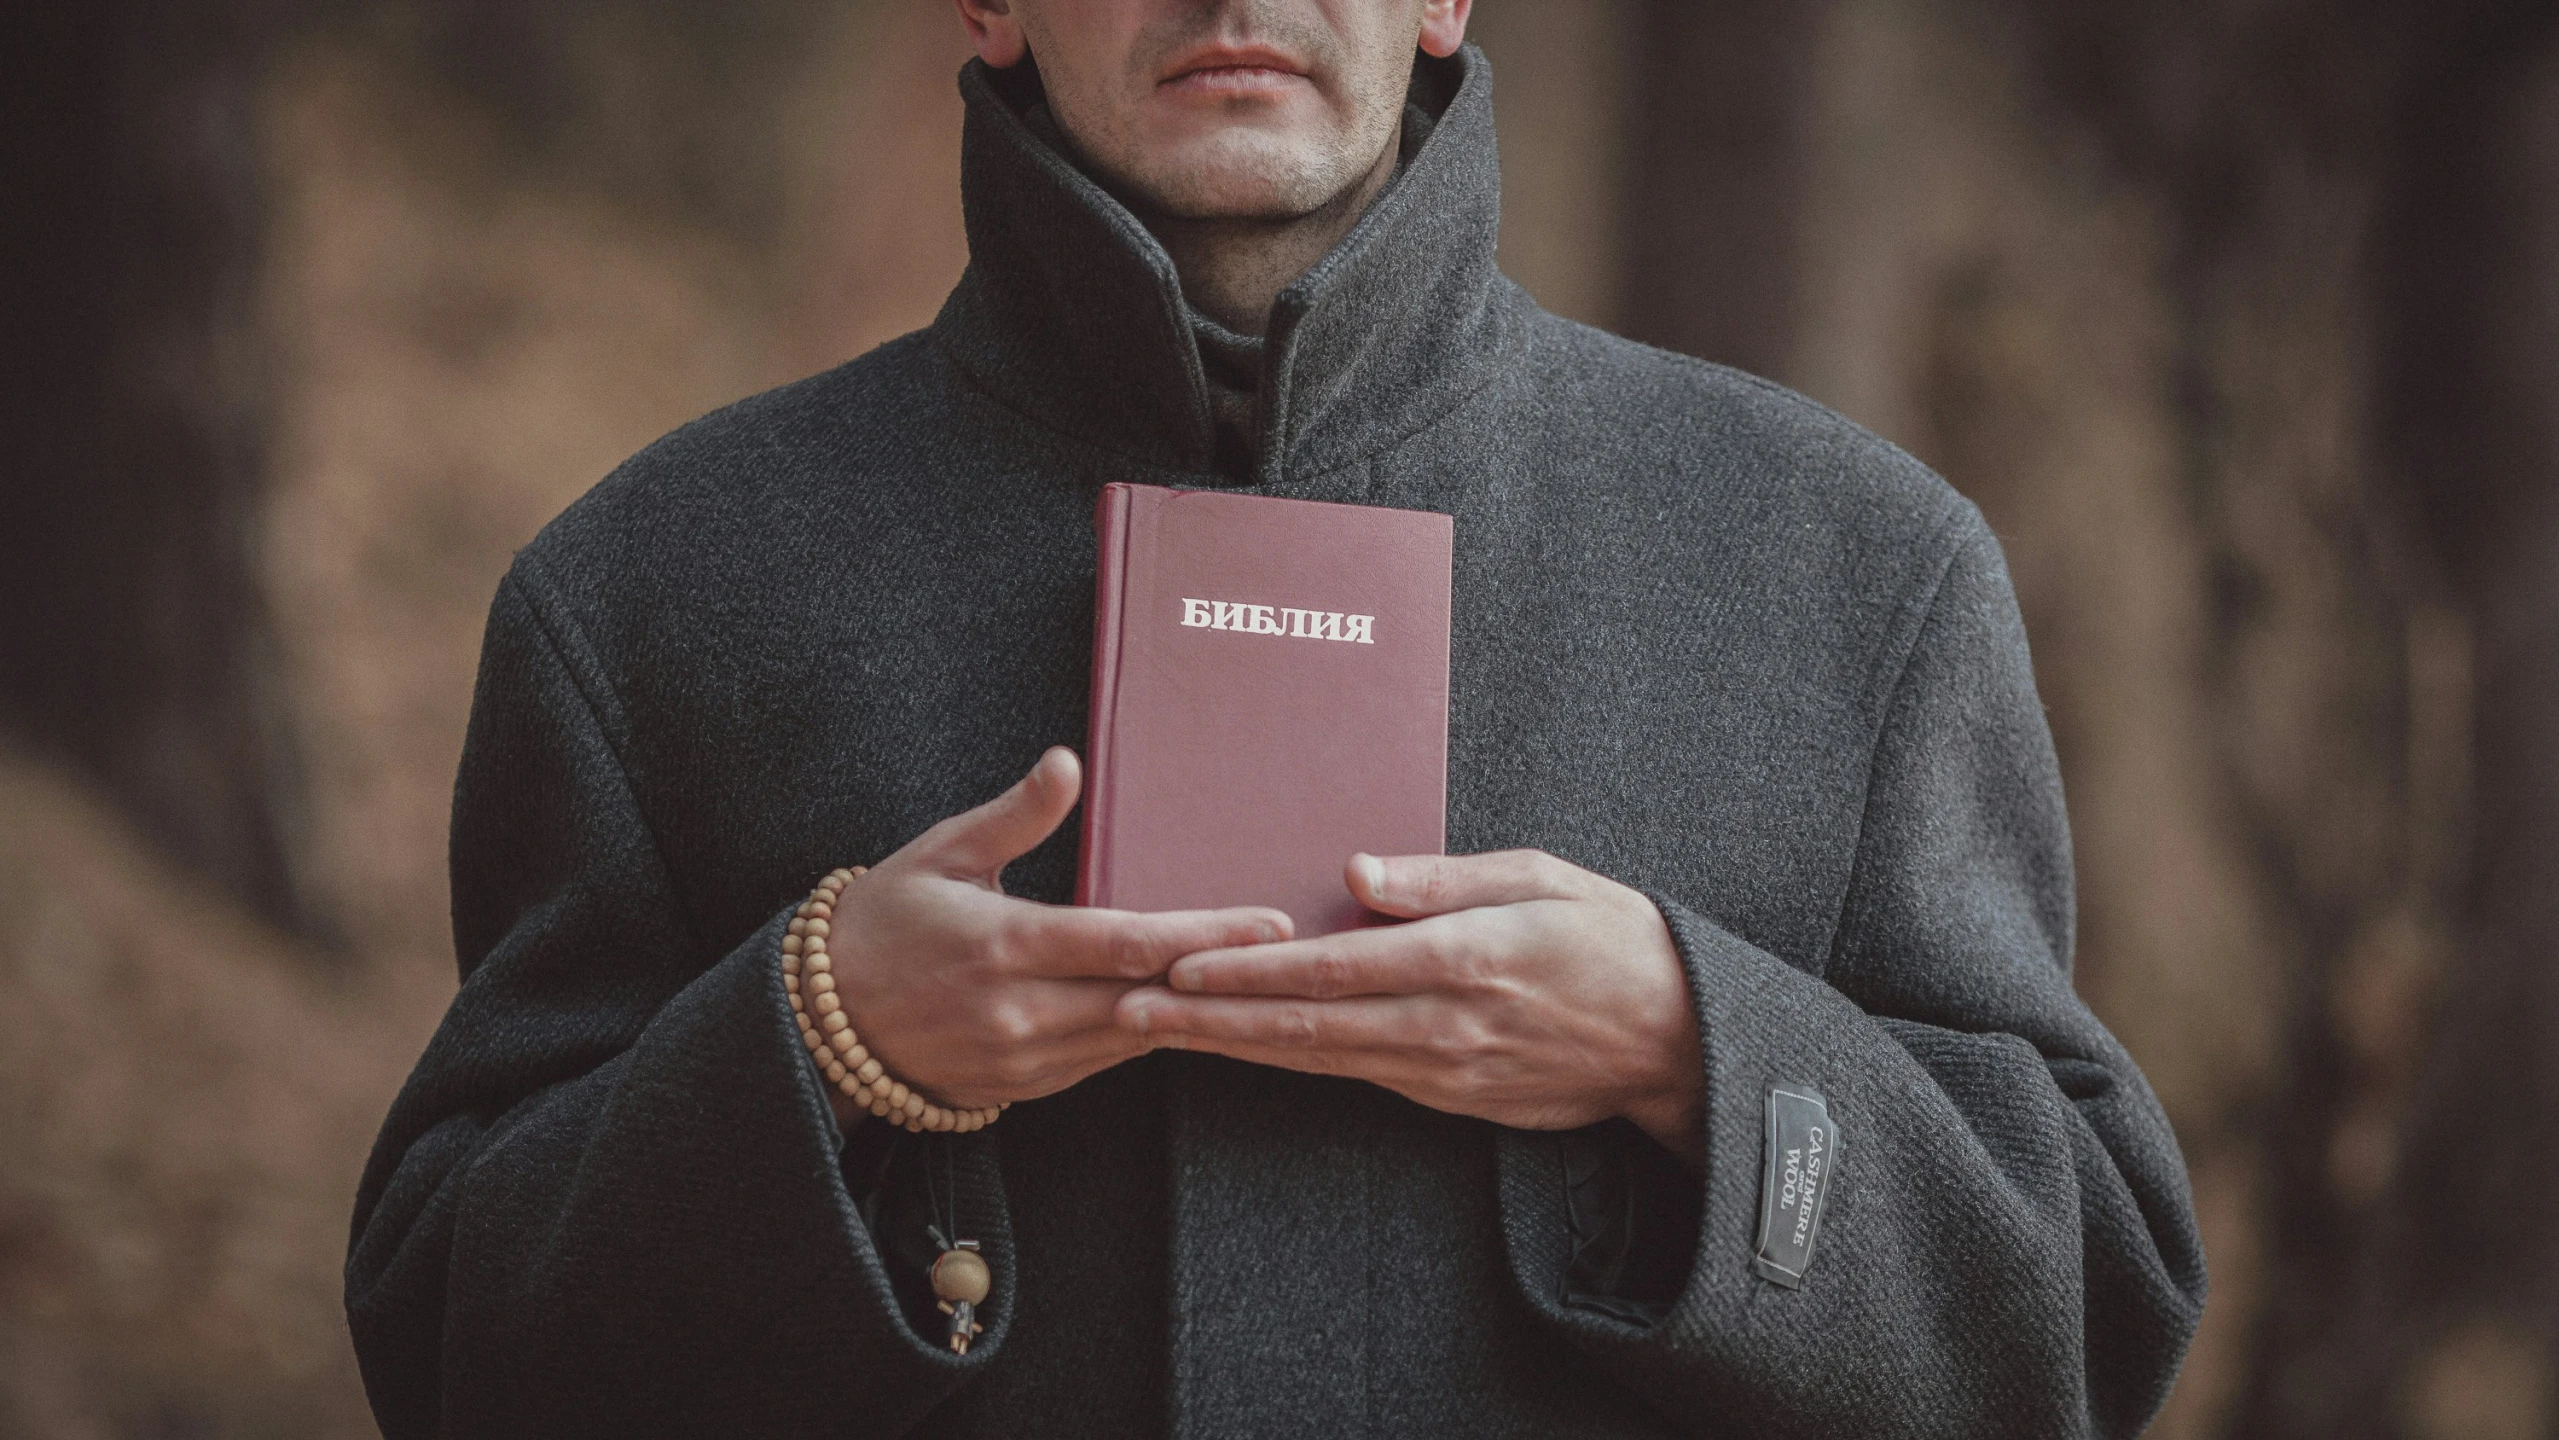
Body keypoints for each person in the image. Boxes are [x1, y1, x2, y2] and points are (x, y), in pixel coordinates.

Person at [344, 1, 2208, 1435]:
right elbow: (445, 1347)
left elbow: (2087, 1319)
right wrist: (822, 1046)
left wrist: (1686, 1053)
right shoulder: (652, 591)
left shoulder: (1853, 571)